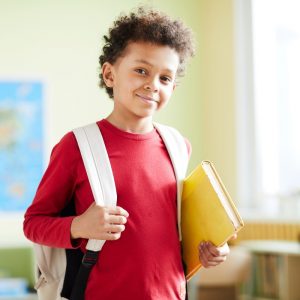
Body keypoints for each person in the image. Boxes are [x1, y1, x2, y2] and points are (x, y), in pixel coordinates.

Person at [24, 6, 232, 300]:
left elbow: (176, 231)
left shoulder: (178, 145)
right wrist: (79, 225)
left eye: (165, 78)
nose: (152, 84)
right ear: (110, 74)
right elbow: (34, 223)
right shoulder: (76, 146)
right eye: (141, 70)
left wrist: (209, 250)